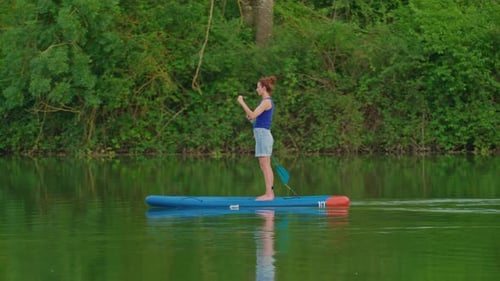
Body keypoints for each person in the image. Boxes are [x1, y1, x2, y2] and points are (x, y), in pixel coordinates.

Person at [237, 76, 277, 201]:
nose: (256, 89)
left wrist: (242, 102)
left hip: (264, 136)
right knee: (263, 164)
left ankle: (269, 195)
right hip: (261, 135)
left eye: (258, 87)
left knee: (265, 165)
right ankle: (269, 194)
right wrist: (251, 119)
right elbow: (255, 117)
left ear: (263, 88)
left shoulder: (266, 101)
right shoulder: (264, 102)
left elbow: (253, 114)